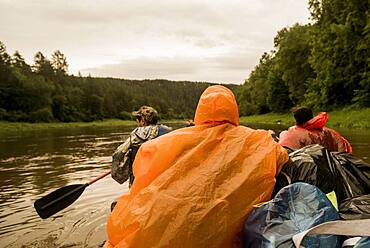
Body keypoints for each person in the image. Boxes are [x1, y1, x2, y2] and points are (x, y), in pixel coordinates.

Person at [104, 85, 288, 248]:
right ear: (234, 110)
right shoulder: (259, 140)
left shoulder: (165, 143)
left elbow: (138, 173)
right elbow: (282, 156)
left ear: (200, 111)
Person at [111, 106, 171, 187]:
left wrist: (118, 173)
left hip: (139, 179)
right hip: (162, 178)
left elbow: (118, 153)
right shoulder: (167, 131)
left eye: (137, 119)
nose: (136, 121)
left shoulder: (137, 133)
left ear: (142, 120)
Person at [279, 107, 352, 153]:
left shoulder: (292, 132)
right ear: (312, 118)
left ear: (296, 120)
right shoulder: (329, 132)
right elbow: (343, 149)